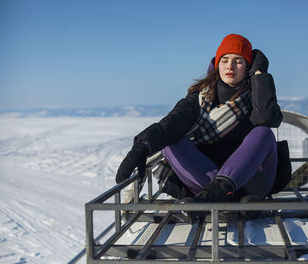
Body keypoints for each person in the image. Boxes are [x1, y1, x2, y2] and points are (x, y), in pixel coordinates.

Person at [115, 34, 282, 213]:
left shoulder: (257, 94)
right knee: (172, 141)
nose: (230, 66)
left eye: (238, 61)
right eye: (224, 60)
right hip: (207, 184)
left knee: (263, 132)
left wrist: (260, 75)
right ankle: (221, 197)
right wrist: (142, 146)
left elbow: (267, 118)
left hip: (252, 182)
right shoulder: (201, 96)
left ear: (249, 66)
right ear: (217, 64)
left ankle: (218, 196)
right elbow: (171, 124)